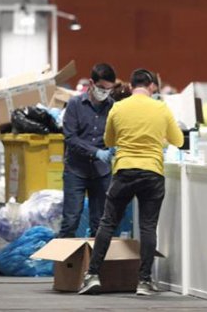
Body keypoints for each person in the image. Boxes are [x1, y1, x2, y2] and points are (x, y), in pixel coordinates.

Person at [78, 68, 183, 296]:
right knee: (148, 227)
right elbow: (179, 139)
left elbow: (108, 140)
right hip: (152, 172)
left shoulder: (118, 107)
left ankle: (92, 275)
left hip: (124, 170)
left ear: (131, 85)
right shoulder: (161, 107)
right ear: (151, 86)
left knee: (107, 223)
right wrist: (159, 138)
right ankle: (144, 281)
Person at [58, 63, 117, 238]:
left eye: (108, 89)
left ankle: (94, 264)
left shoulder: (113, 107)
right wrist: (96, 152)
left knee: (99, 223)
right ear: (91, 83)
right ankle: (65, 265)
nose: (104, 92)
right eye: (101, 88)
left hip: (102, 172)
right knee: (71, 220)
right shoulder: (75, 104)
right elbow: (71, 137)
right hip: (76, 170)